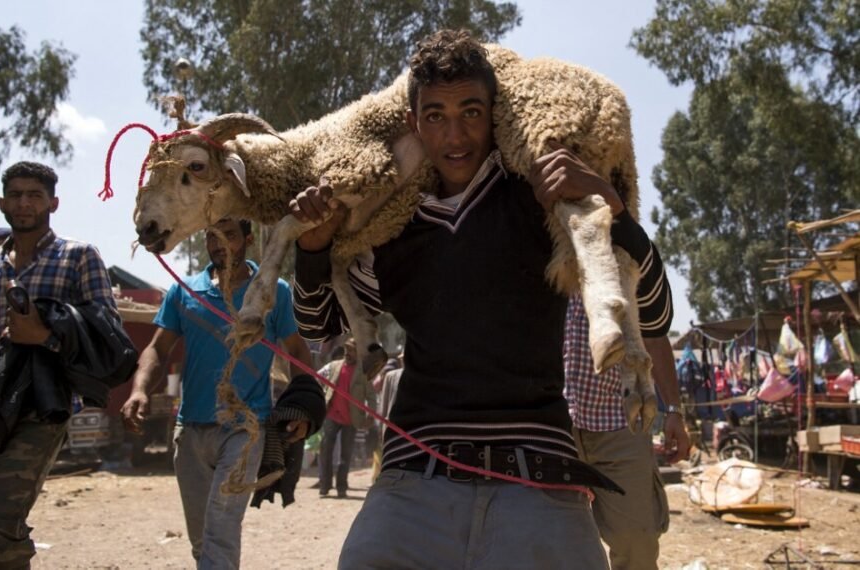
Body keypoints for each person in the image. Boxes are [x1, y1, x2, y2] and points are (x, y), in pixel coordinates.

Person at [291, 29, 673, 568]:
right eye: (435, 116)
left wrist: (612, 209)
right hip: (413, 475)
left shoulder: (543, 205)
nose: (455, 135)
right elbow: (319, 323)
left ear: (495, 113)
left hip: (538, 475)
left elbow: (653, 311)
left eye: (471, 112)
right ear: (412, 122)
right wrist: (312, 249)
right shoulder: (390, 232)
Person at [121, 217, 321, 569]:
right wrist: (139, 390)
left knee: (221, 532)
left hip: (246, 430)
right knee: (203, 540)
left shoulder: (272, 291)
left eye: (229, 235)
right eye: (212, 236)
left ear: (247, 238)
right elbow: (157, 348)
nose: (219, 244)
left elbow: (298, 352)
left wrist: (303, 404)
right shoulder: (184, 291)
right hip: (191, 431)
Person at [0, 161, 123, 568]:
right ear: (2, 203)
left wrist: (44, 336)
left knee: (0, 517)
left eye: (34, 195)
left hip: (44, 407)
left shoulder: (77, 256)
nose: (24, 203)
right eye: (15, 195)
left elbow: (109, 339)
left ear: (54, 202)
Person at [565, 294, 690, 570]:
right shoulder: (535, 254)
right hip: (553, 426)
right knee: (550, 543)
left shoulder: (633, 256)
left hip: (620, 424)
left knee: (638, 545)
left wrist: (674, 412)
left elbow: (655, 338)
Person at [316, 336, 376, 498]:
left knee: (345, 455)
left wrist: (371, 415)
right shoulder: (334, 366)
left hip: (352, 419)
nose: (347, 353)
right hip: (331, 415)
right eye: (347, 349)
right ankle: (325, 485)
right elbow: (317, 377)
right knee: (325, 450)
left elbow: (371, 396)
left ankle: (341, 487)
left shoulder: (363, 372)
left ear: (358, 353)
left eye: (351, 350)